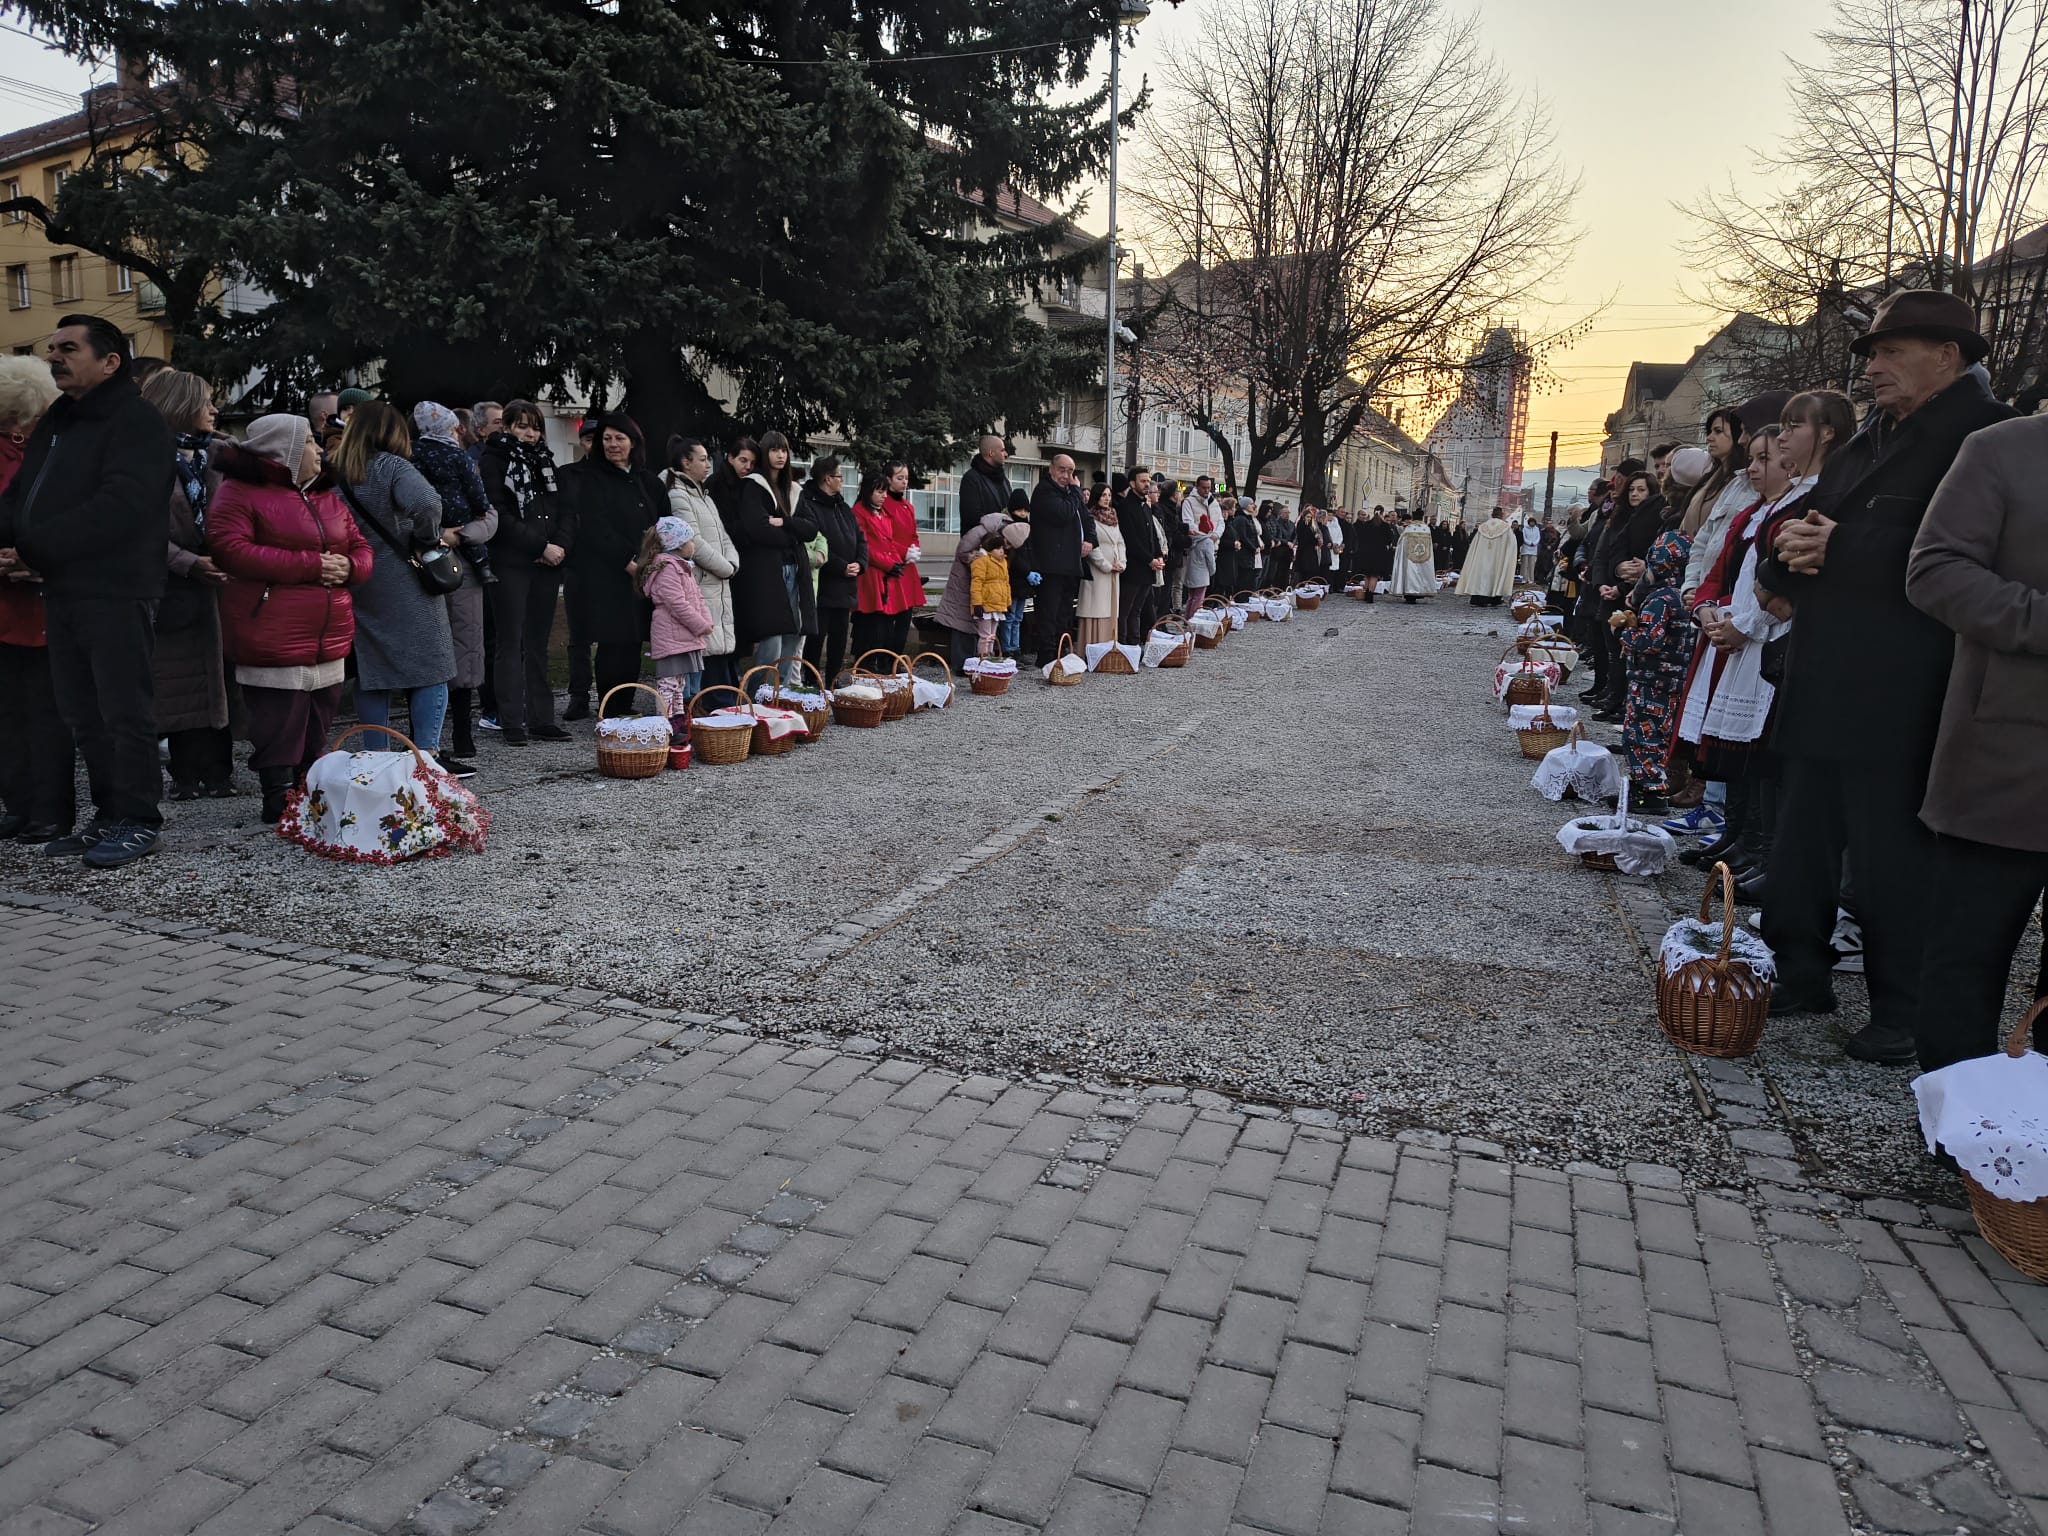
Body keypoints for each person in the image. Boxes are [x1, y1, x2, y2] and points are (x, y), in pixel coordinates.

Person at [1758, 290, 2016, 1055]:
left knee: (1891, 858)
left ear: (1948, 355)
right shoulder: (1871, 436)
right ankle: (1798, 972)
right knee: (1800, 845)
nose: (1873, 367)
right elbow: (1809, 523)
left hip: (1908, 686)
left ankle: (1901, 1008)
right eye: (1871, 353)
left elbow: (1970, 559)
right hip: (1823, 675)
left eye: (1891, 352)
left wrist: (1841, 548)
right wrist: (1784, 553)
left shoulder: (1986, 436)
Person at [0, 315, 174, 868]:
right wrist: (8, 542)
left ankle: (139, 819)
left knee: (123, 711)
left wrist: (35, 550)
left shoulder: (136, 422)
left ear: (110, 361)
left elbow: (122, 506)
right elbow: (22, 492)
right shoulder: (61, 418)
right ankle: (108, 814)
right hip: (64, 588)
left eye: (69, 348)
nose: (54, 356)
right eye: (52, 348)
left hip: (116, 588)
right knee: (84, 713)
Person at [1907, 408, 2048, 1070]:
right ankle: (1959, 1114)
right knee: (1968, 961)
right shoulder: (2003, 449)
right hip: (2009, 751)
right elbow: (1935, 570)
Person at [206, 414, 372, 822]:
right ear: (287, 451)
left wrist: (350, 568)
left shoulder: (325, 494)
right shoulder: (238, 492)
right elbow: (230, 549)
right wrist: (311, 565)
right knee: (278, 721)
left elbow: (361, 546)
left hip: (328, 631)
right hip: (272, 629)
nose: (319, 449)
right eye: (311, 442)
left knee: (318, 721)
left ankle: (308, 791)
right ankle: (278, 798)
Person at [332, 402, 462, 767]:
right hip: (405, 579)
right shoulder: (392, 466)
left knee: (373, 671)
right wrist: (426, 538)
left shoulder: (337, 471)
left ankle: (375, 755)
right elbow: (427, 502)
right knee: (432, 666)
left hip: (359, 578)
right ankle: (426, 756)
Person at [140, 368, 235, 801]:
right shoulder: (144, 457)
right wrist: (188, 562)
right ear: (180, 406)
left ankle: (220, 770)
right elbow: (137, 530)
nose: (213, 410)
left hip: (222, 580)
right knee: (177, 680)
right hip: (172, 583)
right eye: (204, 402)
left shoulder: (224, 454)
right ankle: (184, 773)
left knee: (221, 675)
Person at [0, 355, 72, 843]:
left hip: (45, 601)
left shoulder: (52, 451)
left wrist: (38, 558)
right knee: (10, 715)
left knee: (47, 716)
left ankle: (47, 809)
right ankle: (21, 806)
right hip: (11, 604)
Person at [477, 400, 569, 746]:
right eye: (522, 426)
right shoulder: (494, 460)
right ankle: (511, 719)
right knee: (509, 641)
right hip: (512, 562)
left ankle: (542, 717)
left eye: (535, 427)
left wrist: (559, 544)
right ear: (507, 428)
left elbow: (564, 509)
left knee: (537, 643)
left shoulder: (545, 460)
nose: (530, 434)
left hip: (548, 562)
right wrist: (539, 546)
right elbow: (499, 514)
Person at [410, 403, 498, 766]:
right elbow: (482, 505)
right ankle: (452, 736)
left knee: (457, 641)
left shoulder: (412, 458)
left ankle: (445, 734)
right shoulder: (459, 459)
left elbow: (488, 518)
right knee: (463, 642)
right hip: (453, 561)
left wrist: (455, 536)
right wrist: (457, 536)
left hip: (442, 554)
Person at [559, 414, 663, 716]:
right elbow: (596, 526)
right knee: (612, 641)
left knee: (633, 640)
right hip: (609, 574)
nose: (613, 444)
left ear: (633, 442)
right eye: (607, 439)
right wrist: (628, 561)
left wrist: (653, 560)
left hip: (644, 572)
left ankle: (625, 704)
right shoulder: (592, 479)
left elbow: (663, 521)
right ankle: (610, 708)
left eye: (619, 438)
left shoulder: (647, 480)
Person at [728, 430, 817, 686]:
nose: (780, 455)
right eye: (774, 450)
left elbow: (811, 529)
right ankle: (760, 692)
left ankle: (783, 692)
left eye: (784, 450)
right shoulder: (753, 486)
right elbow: (758, 530)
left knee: (794, 632)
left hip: (795, 568)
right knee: (772, 636)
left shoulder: (794, 490)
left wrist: (785, 522)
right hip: (767, 570)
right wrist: (793, 535)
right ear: (765, 453)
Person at [1615, 529, 1693, 809]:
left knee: (1640, 735)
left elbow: (1649, 640)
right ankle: (1651, 786)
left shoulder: (1659, 599)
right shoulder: (1685, 597)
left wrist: (1624, 633)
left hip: (1650, 679)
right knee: (1660, 735)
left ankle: (1647, 792)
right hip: (1675, 680)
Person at [665, 437, 740, 691]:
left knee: (718, 643)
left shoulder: (705, 497)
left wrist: (732, 562)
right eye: (703, 459)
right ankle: (697, 701)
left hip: (719, 580)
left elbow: (723, 536)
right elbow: (692, 540)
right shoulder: (678, 495)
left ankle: (714, 698)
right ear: (686, 463)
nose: (709, 464)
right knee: (703, 644)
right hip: (702, 580)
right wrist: (725, 568)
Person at [798, 455, 866, 684]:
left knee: (839, 641)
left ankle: (833, 682)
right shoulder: (809, 504)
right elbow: (817, 544)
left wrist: (860, 562)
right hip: (823, 587)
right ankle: (812, 683)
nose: (842, 480)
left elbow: (860, 538)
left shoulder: (842, 506)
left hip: (846, 588)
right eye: (840, 476)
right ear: (827, 478)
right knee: (816, 640)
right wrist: (840, 566)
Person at [638, 515, 713, 718]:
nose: (693, 545)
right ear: (678, 544)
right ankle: (665, 721)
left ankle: (678, 719)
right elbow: (677, 604)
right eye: (690, 540)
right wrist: (700, 625)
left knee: (679, 683)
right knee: (668, 683)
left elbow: (697, 597)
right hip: (671, 638)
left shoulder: (682, 567)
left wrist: (706, 621)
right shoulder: (668, 569)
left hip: (683, 636)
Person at [935, 482, 1011, 668]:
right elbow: (963, 552)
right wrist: (978, 559)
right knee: (963, 624)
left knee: (980, 629)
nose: (1004, 550)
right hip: (964, 582)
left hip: (982, 590)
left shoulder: (998, 548)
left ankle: (977, 662)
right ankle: (965, 663)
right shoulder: (980, 533)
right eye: (1004, 546)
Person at [852, 461, 923, 657]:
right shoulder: (877, 508)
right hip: (882, 569)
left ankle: (891, 660)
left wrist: (912, 550)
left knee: (900, 619)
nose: (905, 482)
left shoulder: (904, 507)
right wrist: (898, 556)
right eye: (900, 478)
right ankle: (878, 661)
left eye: (906, 478)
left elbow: (905, 535)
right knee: (878, 624)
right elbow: (870, 544)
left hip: (899, 565)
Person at [1026, 454, 1089, 662]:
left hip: (1069, 563)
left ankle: (1061, 651)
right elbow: (1064, 513)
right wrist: (1077, 491)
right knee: (1049, 613)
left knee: (1064, 613)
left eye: (1071, 471)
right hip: (1051, 564)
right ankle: (1046, 655)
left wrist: (1090, 540)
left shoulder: (1069, 493)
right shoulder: (1044, 491)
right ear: (1051, 469)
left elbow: (1084, 517)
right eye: (1062, 470)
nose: (1066, 475)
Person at [1117, 468, 1165, 643]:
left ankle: (1134, 643)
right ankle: (1123, 644)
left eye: (1148, 481)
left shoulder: (1145, 506)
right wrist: (1149, 559)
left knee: (1137, 609)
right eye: (1142, 481)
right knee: (1125, 610)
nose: (1146, 485)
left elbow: (1152, 535)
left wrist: (1158, 555)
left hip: (1148, 568)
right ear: (1132, 483)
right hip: (1134, 567)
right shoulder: (1125, 507)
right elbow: (1130, 540)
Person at [1077, 482, 1125, 649]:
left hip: (1114, 572)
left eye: (1109, 495)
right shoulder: (1090, 517)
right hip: (1097, 571)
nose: (1107, 498)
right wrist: (1106, 565)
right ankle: (1092, 646)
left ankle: (1109, 647)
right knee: (1096, 608)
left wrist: (1122, 562)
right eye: (1104, 495)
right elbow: (1092, 545)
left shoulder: (1114, 518)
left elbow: (1120, 542)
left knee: (1110, 609)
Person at [1455, 507, 1518, 605]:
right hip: (1498, 558)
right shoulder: (1505, 528)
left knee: (1481, 576)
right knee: (1495, 576)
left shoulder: (1483, 527)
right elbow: (1512, 544)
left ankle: (1477, 598)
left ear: (1492, 514)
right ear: (1501, 515)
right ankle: (1494, 599)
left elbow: (1474, 546)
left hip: (1481, 558)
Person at [1000, 488, 1032, 656]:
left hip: (1023, 581)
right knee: (1010, 616)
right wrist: (1027, 571)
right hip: (1012, 580)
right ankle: (1007, 647)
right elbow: (1014, 556)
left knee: (1018, 617)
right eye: (1020, 510)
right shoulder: (1008, 528)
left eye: (1025, 510)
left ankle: (1015, 646)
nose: (1023, 514)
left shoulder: (1028, 528)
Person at [959, 433, 1010, 533]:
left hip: (1002, 539)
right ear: (991, 453)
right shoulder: (971, 479)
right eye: (1002, 450)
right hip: (979, 540)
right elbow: (971, 517)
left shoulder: (1003, 479)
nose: (1006, 454)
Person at [970, 532, 1010, 658]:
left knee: (992, 636)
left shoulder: (1003, 562)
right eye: (997, 548)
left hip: (997, 605)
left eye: (1002, 548)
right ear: (989, 549)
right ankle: (983, 657)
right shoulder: (981, 562)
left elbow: (1006, 584)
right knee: (985, 635)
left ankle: (990, 656)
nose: (1001, 551)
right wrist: (977, 604)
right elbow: (976, 584)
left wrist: (1007, 603)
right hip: (985, 605)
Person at [1388, 508, 1436, 602]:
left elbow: (1401, 542)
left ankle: (1409, 593)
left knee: (1410, 573)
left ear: (1413, 518)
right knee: (1421, 573)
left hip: (1410, 557)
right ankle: (1420, 591)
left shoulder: (1409, 528)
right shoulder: (1426, 528)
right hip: (1424, 557)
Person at [1354, 506, 1394, 601]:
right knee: (1374, 575)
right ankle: (1370, 594)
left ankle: (1366, 592)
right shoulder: (1385, 525)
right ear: (1382, 513)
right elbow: (1389, 540)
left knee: (1367, 574)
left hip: (1366, 553)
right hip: (1378, 553)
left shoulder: (1366, 524)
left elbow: (1361, 538)